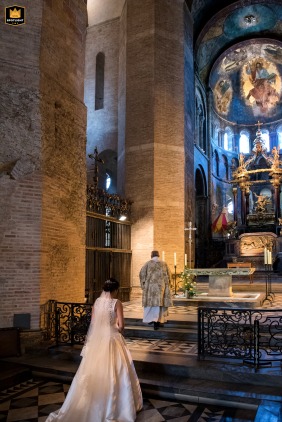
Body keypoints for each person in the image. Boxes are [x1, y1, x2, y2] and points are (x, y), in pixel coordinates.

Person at [46, 278, 143, 422]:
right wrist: (117, 329)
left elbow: (93, 323)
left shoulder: (96, 302)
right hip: (112, 338)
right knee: (117, 371)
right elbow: (122, 325)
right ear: (115, 290)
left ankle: (94, 401)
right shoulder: (117, 303)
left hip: (98, 340)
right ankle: (114, 406)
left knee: (95, 370)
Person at [139, 250, 173, 330]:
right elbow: (169, 275)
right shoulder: (164, 264)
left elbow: (141, 274)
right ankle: (158, 321)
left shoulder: (147, 264)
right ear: (158, 255)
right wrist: (168, 286)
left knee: (151, 305)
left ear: (151, 255)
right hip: (161, 288)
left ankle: (151, 319)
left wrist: (143, 285)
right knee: (159, 304)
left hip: (150, 289)